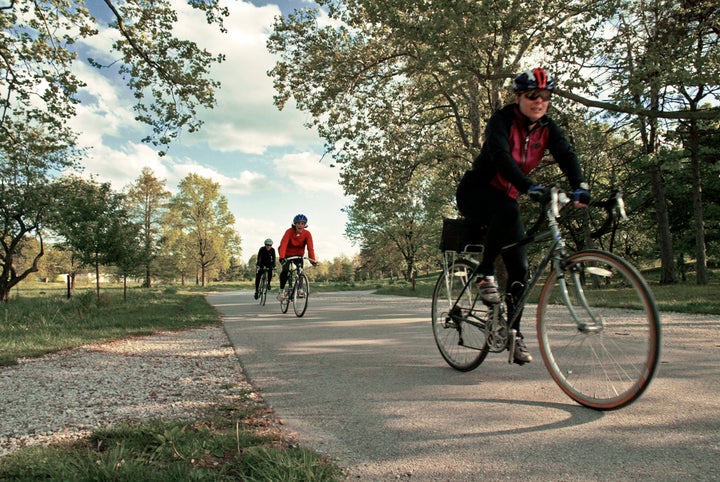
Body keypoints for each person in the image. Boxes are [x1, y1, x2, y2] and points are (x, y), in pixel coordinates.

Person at [455, 67, 590, 365]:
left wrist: (580, 187)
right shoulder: (501, 121)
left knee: (520, 269)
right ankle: (484, 273)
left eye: (545, 96)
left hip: (508, 198)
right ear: (518, 97)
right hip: (475, 193)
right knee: (506, 207)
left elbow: (567, 155)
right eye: (532, 96)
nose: (539, 101)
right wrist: (529, 186)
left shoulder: (548, 128)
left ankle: (513, 335)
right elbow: (501, 157)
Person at [277, 214, 318, 300]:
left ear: (305, 225)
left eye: (303, 223)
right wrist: (282, 258)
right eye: (298, 223)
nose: (300, 225)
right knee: (285, 270)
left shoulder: (307, 234)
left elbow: (310, 248)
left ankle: (300, 289)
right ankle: (281, 291)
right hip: (287, 254)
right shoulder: (289, 232)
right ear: (295, 224)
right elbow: (283, 244)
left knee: (300, 270)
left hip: (298, 255)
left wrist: (313, 260)